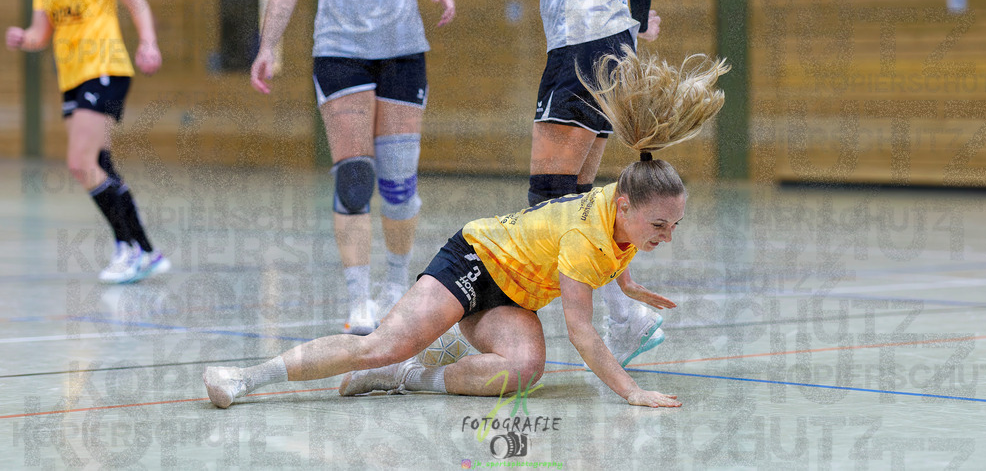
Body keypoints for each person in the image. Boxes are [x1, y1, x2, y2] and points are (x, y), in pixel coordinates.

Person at [203, 48, 729, 409]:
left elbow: (619, 252)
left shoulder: (624, 209)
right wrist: (630, 391)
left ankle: (409, 377)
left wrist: (631, 284)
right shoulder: (584, 234)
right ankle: (245, 378)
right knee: (380, 344)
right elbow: (582, 332)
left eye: (674, 225)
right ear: (629, 204)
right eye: (660, 224)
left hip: (512, 299)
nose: (666, 234)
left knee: (521, 371)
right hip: (475, 261)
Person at [249, 0, 456, 335]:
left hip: (402, 47)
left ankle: (396, 283)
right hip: (340, 48)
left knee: (399, 184)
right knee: (353, 178)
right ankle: (359, 298)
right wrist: (268, 44)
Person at [489, 0, 664, 366]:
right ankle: (624, 315)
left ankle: (601, 317)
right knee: (575, 198)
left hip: (585, 52)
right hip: (599, 50)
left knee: (547, 199)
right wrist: (636, 24)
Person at [5, 0, 168, 284]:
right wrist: (24, 38)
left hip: (105, 67)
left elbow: (135, 0)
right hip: (72, 76)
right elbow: (42, 31)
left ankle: (130, 248)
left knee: (81, 162)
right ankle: (144, 249)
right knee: (97, 165)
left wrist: (147, 42)